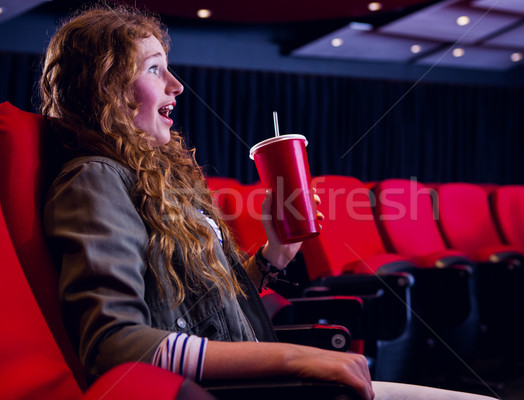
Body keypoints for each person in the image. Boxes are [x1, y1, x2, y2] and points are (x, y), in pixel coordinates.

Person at [40, 4, 496, 400]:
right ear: (106, 85)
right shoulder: (94, 180)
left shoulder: (154, 177)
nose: (177, 85)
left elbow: (206, 310)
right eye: (154, 68)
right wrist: (291, 358)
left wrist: (274, 255)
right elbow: (115, 345)